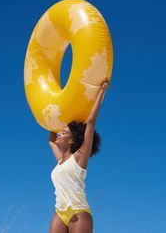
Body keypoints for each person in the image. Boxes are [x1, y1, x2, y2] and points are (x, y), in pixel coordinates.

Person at [49, 81, 110, 233]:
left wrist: (102, 91)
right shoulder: (61, 161)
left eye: (64, 132)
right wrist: (52, 108)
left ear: (71, 140)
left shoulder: (79, 157)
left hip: (78, 211)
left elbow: (90, 122)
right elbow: (51, 140)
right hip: (60, 211)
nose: (59, 133)